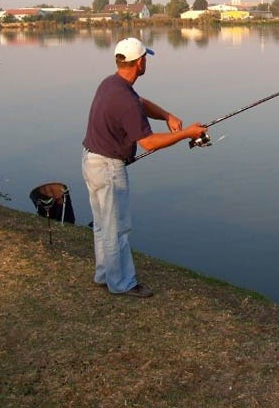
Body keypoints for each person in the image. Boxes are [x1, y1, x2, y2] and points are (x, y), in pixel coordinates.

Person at [82, 37, 207, 298]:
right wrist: (186, 133)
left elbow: (140, 103)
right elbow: (149, 142)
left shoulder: (112, 84)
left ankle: (105, 274)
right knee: (117, 227)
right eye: (145, 58)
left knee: (103, 225)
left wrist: (167, 116)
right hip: (107, 167)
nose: (146, 61)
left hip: (92, 160)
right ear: (139, 62)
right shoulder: (123, 98)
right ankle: (122, 283)